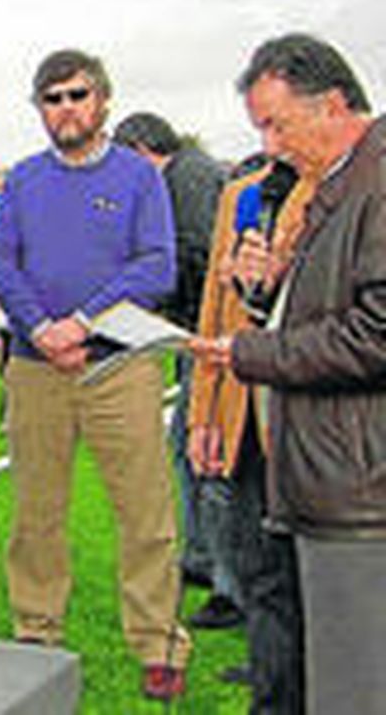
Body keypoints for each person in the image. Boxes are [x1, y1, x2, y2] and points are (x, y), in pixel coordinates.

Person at [189, 34, 386, 715]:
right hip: (322, 471)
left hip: (359, 485)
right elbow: (331, 308)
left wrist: (248, 353)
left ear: (332, 104)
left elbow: (375, 334)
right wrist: (265, 294)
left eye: (277, 124)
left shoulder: (376, 181)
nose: (270, 146)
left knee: (356, 678)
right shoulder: (336, 183)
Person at [0, 48, 191, 702]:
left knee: (145, 513)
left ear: (102, 100)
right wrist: (42, 329)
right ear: (39, 109)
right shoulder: (22, 179)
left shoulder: (138, 178)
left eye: (77, 95)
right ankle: (36, 627)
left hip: (118, 368)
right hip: (34, 365)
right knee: (36, 512)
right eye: (52, 98)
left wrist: (81, 322)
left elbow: (156, 265)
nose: (66, 108)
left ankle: (158, 640)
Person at [188, 155, 310, 711]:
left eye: (278, 122)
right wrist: (205, 415)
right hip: (248, 414)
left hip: (319, 422)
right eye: (261, 125)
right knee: (262, 573)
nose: (271, 139)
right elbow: (217, 312)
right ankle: (273, 688)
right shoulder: (244, 196)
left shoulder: (352, 190)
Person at [113, 111, 233, 627]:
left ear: (141, 151)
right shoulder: (189, 176)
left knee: (210, 452)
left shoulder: (188, 181)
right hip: (199, 334)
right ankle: (205, 560)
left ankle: (231, 583)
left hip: (211, 339)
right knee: (190, 446)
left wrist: (154, 308)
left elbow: (197, 259)